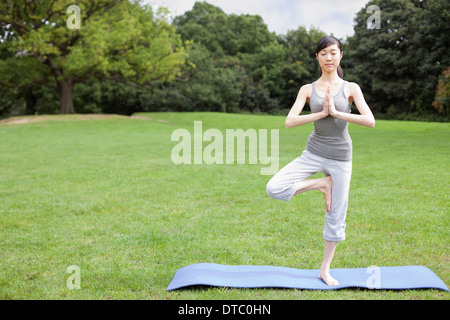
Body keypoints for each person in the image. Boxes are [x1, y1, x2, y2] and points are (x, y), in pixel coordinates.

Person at [265, 35, 375, 286]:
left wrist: (336, 113)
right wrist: (321, 113)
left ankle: (324, 269)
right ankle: (321, 184)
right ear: (317, 57)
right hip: (313, 153)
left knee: (336, 216)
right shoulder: (307, 89)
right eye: (323, 53)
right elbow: (289, 121)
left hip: (340, 158)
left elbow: (370, 120)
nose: (328, 57)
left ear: (340, 56)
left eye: (333, 52)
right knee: (273, 188)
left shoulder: (351, 88)